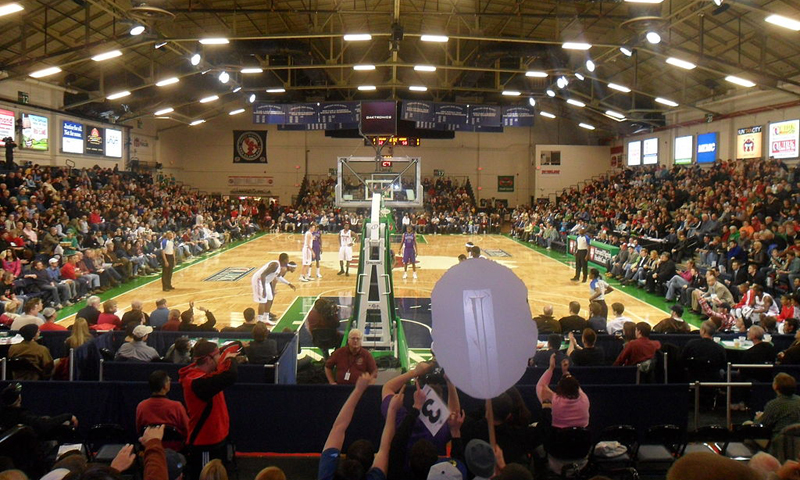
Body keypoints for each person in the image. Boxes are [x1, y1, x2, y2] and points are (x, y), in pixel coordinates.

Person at [319, 372, 402, 480]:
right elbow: (385, 449)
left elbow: (338, 428)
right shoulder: (326, 474)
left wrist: (358, 390)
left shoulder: (327, 474)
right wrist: (392, 410)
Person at [179, 339, 239, 479]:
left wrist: (227, 352)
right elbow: (230, 375)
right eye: (217, 355)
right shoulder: (197, 382)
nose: (220, 358)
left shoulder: (206, 374)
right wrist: (230, 358)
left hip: (216, 438)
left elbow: (235, 344)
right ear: (207, 359)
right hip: (205, 443)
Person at [0, 383, 78, 437]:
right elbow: (43, 425)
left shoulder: (5, 415)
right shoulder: (22, 416)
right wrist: (68, 416)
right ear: (19, 398)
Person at [536, 353, 590, 428]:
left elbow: (541, 386)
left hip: (558, 435)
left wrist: (551, 368)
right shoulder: (584, 399)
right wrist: (565, 372)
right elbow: (574, 386)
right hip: (582, 435)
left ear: (559, 389)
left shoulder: (554, 401)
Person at [135, 370, 190, 442]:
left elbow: (139, 430)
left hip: (149, 445)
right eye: (168, 380)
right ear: (165, 386)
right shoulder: (176, 406)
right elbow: (188, 429)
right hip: (174, 446)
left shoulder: (142, 406)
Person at [252, 254, 297, 325]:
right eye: (287, 259)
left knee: (270, 298)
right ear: (285, 260)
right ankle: (260, 321)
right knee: (263, 300)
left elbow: (278, 277)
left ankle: (265, 319)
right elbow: (263, 275)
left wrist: (289, 284)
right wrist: (264, 289)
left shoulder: (279, 267)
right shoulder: (275, 265)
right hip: (259, 280)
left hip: (266, 282)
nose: (288, 261)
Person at [755, 373, 800, 441]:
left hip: (779, 441)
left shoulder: (774, 404)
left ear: (775, 386)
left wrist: (758, 418)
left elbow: (762, 425)